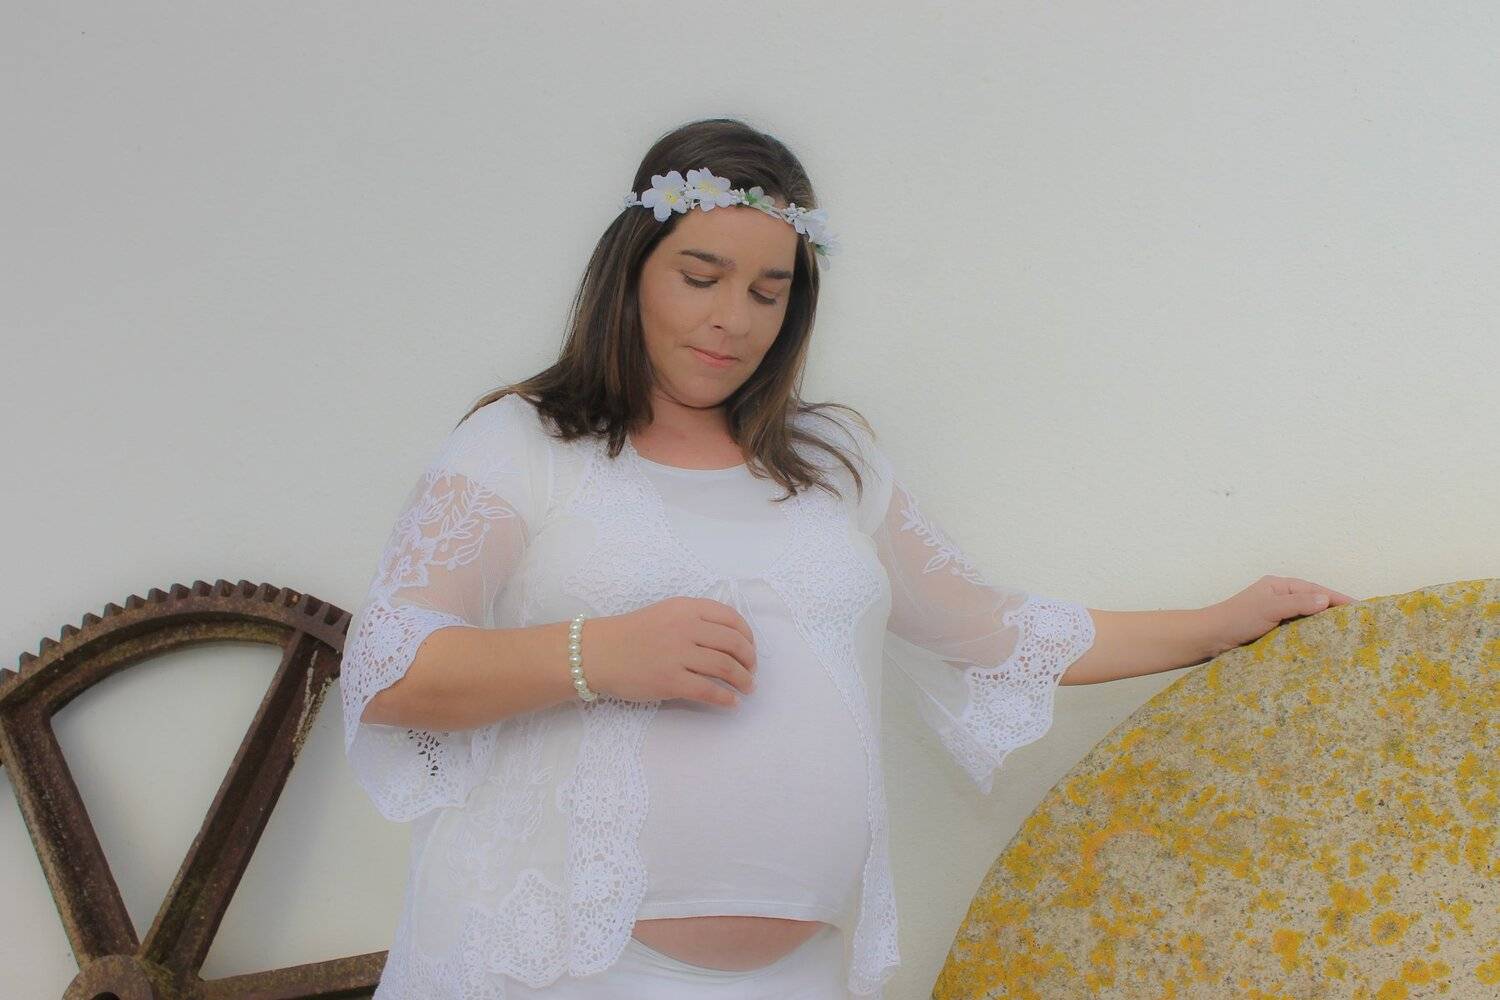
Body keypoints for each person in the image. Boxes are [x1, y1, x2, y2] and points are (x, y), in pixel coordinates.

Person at [338, 117, 1354, 999]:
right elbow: (386, 669)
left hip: (798, 976)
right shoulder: (525, 442)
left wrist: (1217, 626)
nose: (733, 318)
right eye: (700, 277)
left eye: (769, 291)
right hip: (558, 967)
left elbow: (987, 626)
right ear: (630, 271)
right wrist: (594, 654)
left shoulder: (831, 462)